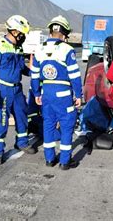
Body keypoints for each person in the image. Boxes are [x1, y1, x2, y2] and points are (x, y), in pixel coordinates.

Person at [31, 15, 82, 170]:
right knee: (67, 126)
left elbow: (34, 76)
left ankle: (49, 159)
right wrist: (78, 95)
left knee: (48, 125)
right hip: (63, 95)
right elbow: (74, 76)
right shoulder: (67, 49)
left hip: (46, 94)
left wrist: (36, 94)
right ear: (65, 33)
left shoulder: (39, 49)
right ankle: (65, 161)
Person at [0, 15, 36, 164]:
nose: (23, 37)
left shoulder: (18, 48)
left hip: (17, 91)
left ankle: (22, 142)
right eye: (22, 34)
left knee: (22, 117)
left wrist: (35, 73)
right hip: (2, 90)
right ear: (14, 31)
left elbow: (22, 68)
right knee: (1, 122)